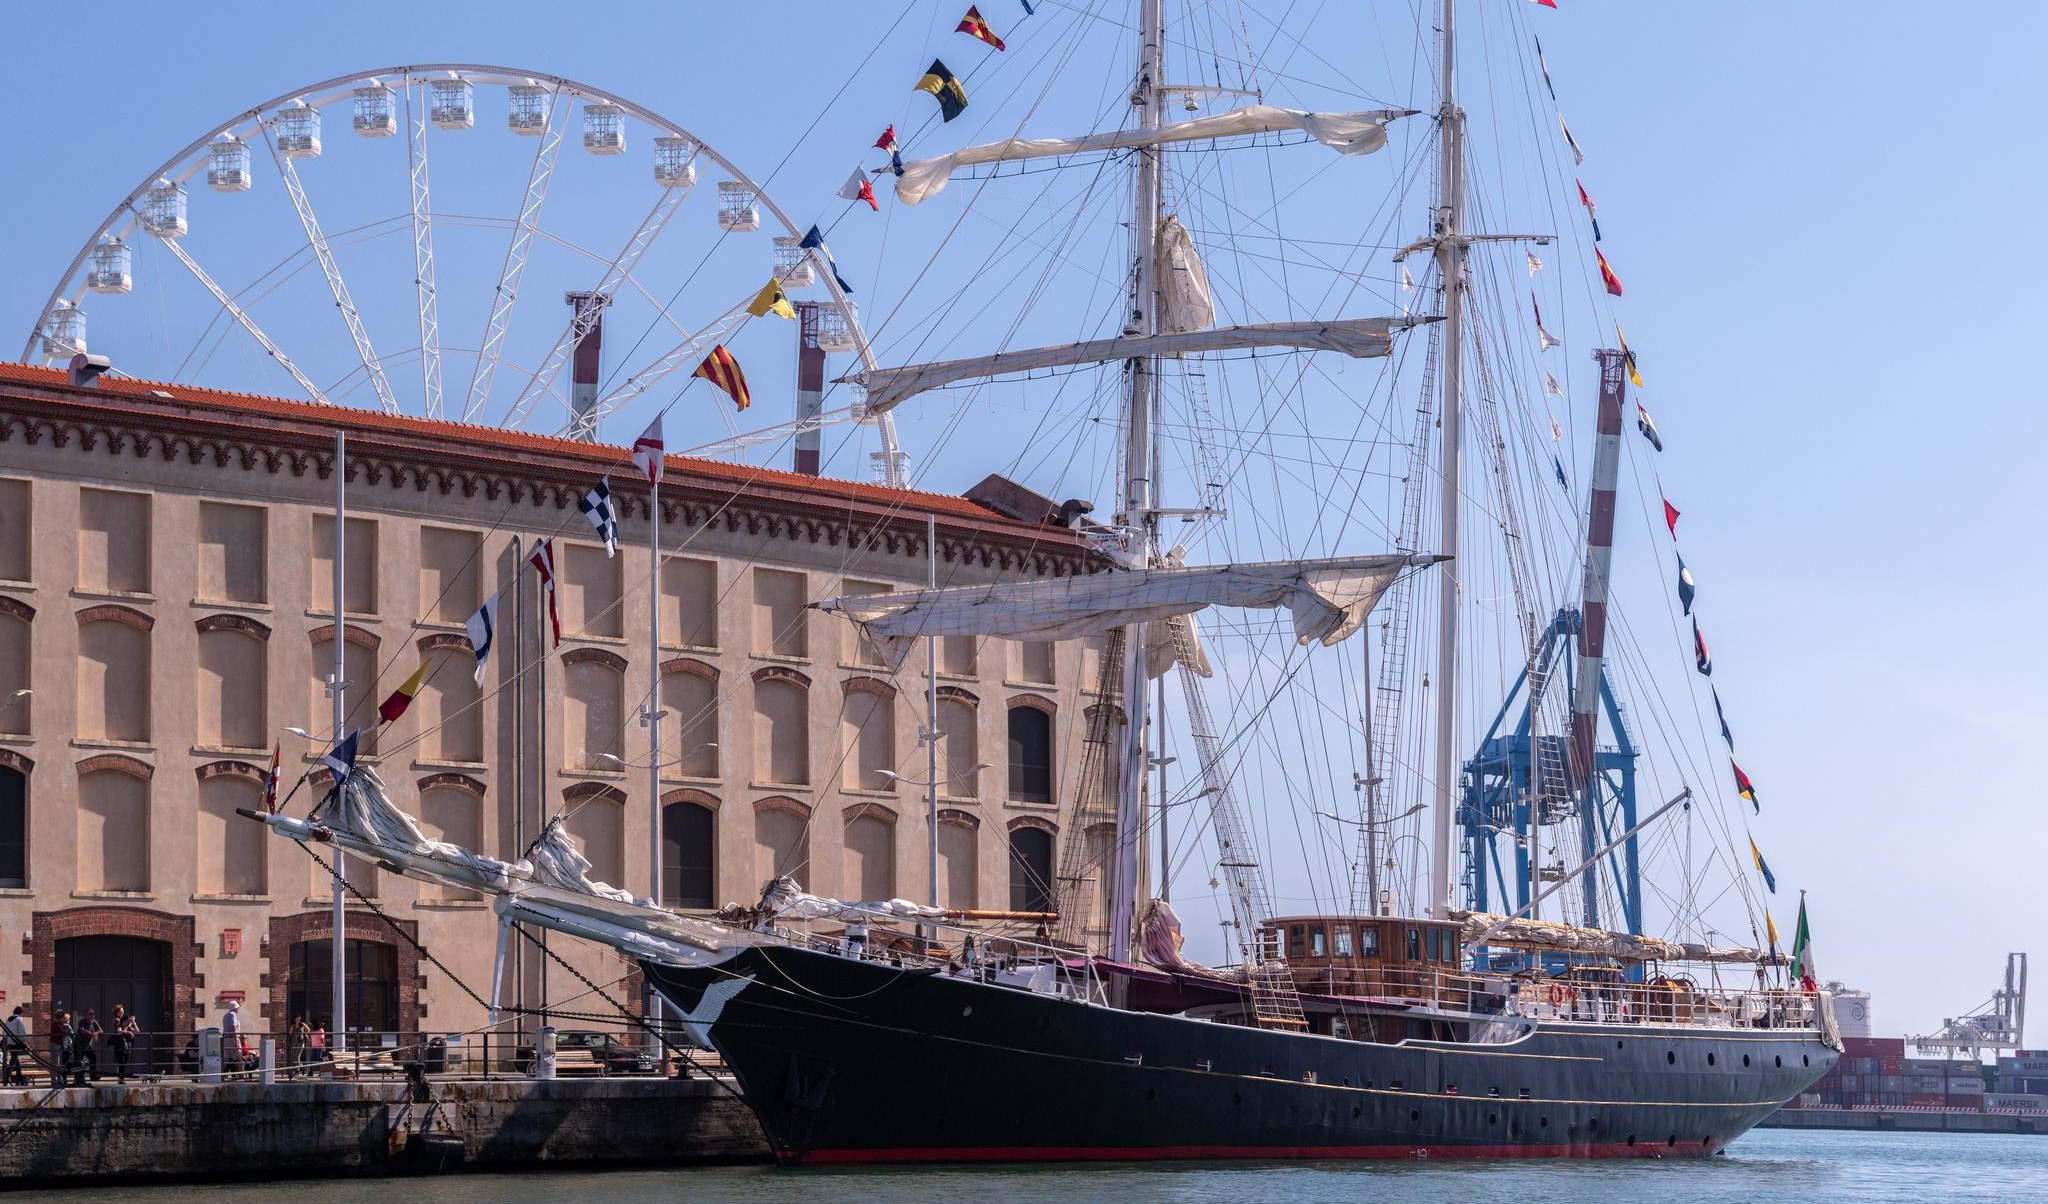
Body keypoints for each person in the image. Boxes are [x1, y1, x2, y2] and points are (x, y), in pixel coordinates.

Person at [109, 1005, 139, 1083]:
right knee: (121, 1061)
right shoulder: (117, 1020)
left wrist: (133, 1023)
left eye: (123, 1012)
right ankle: (120, 1078)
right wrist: (128, 1030)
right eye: (120, 1012)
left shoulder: (124, 1021)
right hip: (120, 1043)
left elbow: (137, 1031)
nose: (122, 1013)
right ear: (117, 1012)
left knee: (124, 1061)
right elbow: (119, 1030)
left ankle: (121, 1077)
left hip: (126, 1044)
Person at [76, 1009, 103, 1083]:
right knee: (79, 1062)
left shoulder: (94, 1021)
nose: (92, 1015)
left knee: (93, 1058)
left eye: (93, 1014)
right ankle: (79, 1078)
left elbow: (101, 1030)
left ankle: (93, 1075)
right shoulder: (82, 1021)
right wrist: (92, 1034)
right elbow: (82, 1030)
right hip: (80, 1045)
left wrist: (96, 1033)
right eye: (90, 1014)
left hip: (88, 1045)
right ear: (86, 1015)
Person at [2, 1006, 26, 1086]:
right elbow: (21, 1032)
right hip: (16, 1042)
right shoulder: (19, 1020)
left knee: (16, 1060)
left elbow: (4, 1032)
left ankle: (20, 1079)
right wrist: (23, 1042)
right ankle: (7, 1077)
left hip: (9, 1043)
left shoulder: (8, 1020)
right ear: (21, 1013)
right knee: (13, 1060)